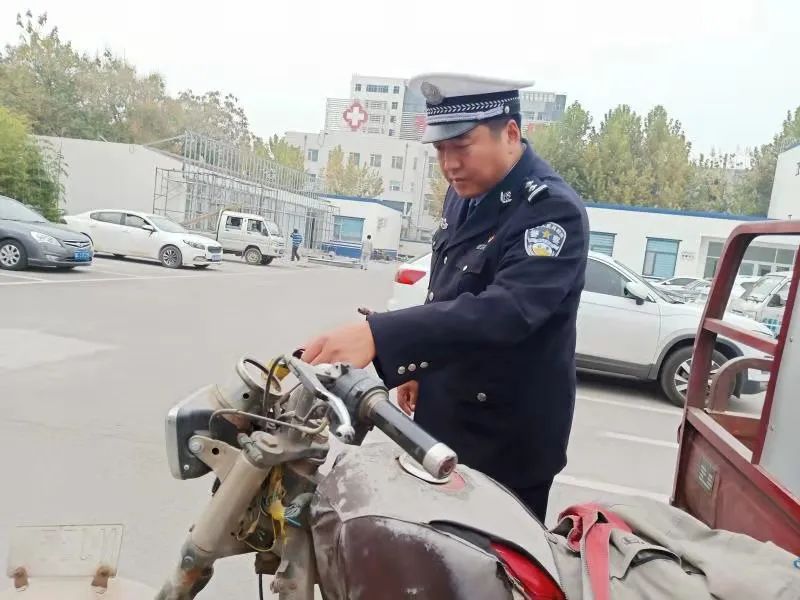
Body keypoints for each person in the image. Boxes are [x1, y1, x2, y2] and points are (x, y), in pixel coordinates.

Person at [301, 73, 589, 523]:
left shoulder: (550, 210)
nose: (450, 164)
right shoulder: (464, 197)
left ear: (510, 133)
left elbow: (507, 311)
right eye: (440, 149)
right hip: (442, 421)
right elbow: (449, 288)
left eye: (462, 146)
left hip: (505, 442)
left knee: (489, 560)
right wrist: (419, 366)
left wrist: (379, 335)